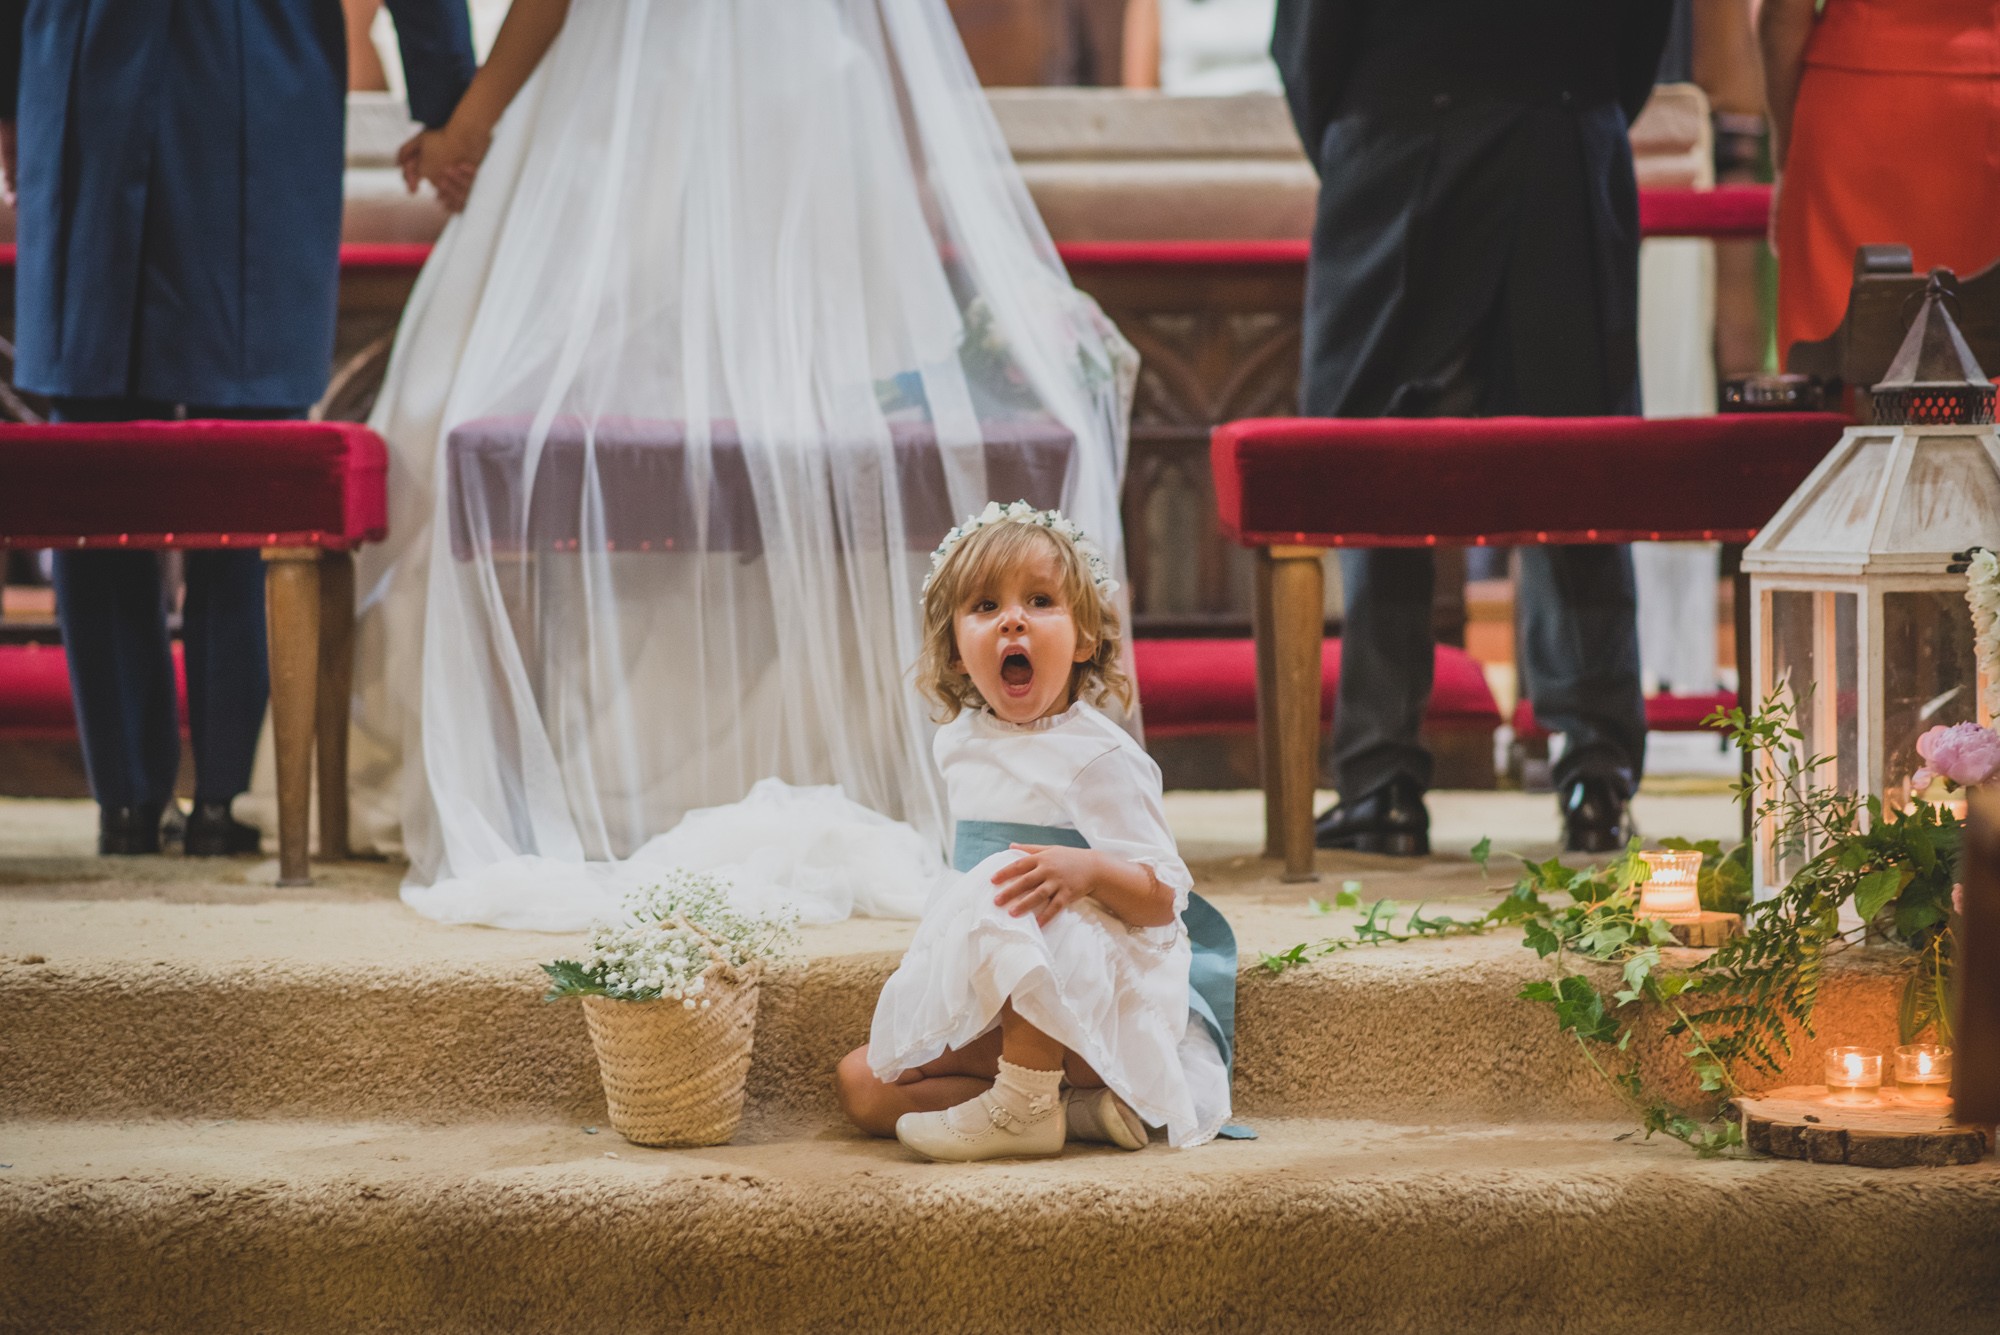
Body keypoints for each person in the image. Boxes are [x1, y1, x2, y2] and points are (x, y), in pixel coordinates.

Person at [362, 0, 1136, 928]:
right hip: (806, 106)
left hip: (632, 115)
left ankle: (575, 774)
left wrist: (468, 126)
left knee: (478, 415)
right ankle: (826, 760)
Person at [0, 1, 474, 856]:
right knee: (122, 445)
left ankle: (173, 795)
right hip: (205, 69)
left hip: (149, 65)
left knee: (230, 447)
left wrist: (448, 102)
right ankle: (193, 797)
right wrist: (447, 103)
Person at [1272, 0, 1671, 856]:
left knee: (1381, 462)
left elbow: (1308, 41)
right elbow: (1646, 31)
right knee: (1578, 461)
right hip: (1564, 138)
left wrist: (1372, 127)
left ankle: (1381, 780)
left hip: (1399, 138)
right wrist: (1567, 105)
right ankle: (1594, 771)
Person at [835, 506, 1235, 1158]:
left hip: (1093, 1012)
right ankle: (1069, 1111)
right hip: (1006, 1005)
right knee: (861, 1084)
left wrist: (1091, 871)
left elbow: (1164, 899)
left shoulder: (1098, 756)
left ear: (1083, 638)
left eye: (1040, 601)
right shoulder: (958, 743)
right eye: (985, 605)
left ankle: (1024, 1103)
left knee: (1016, 883)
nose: (1012, 620)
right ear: (956, 650)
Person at [1761, 0, 2000, 361]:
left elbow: (1784, 14)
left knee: (1836, 366)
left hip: (1852, 107)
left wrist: (1785, 154)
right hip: (1982, 108)